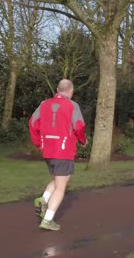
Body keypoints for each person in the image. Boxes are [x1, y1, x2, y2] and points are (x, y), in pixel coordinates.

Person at [29, 79, 87, 231]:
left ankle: (44, 199)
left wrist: (38, 143)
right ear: (71, 90)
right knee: (61, 186)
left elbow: (33, 123)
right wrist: (83, 140)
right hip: (63, 149)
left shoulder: (43, 104)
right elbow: (79, 126)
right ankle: (48, 219)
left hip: (48, 149)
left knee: (60, 178)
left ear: (57, 89)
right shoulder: (72, 105)